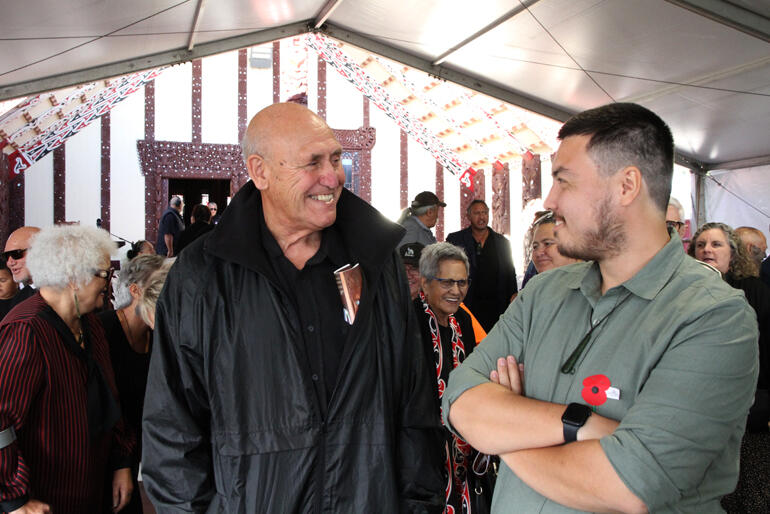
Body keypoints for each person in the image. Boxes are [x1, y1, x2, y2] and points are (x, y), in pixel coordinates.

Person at [442, 102, 758, 513]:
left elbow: (628, 482)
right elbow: (459, 399)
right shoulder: (543, 294)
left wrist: (502, 434)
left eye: (564, 181)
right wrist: (581, 426)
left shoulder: (714, 317)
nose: (551, 199)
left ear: (626, 186)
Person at [142, 102, 444, 512]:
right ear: (260, 171)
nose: (332, 177)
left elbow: (414, 409)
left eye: (335, 158)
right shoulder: (201, 277)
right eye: (312, 162)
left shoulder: (376, 261)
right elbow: (171, 431)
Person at [0, 225, 135, 514]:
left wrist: (121, 462)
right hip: (43, 499)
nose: (109, 283)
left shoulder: (91, 324)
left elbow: (109, 398)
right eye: (104, 274)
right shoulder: (26, 331)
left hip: (90, 490)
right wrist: (14, 499)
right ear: (74, 277)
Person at [688, 222, 770, 511]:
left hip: (751, 411)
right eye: (701, 245)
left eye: (716, 244)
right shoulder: (685, 293)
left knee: (749, 494)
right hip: (701, 414)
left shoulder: (754, 291)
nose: (707, 249)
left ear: (733, 254)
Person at [414, 242, 492, 513]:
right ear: (425, 283)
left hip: (462, 440)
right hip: (424, 445)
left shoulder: (464, 322)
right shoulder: (408, 321)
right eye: (446, 282)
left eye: (462, 282)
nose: (456, 291)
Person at [98, 254, 166, 514]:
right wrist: (121, 462)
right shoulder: (103, 330)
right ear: (135, 290)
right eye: (157, 287)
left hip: (139, 448)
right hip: (107, 453)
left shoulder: (157, 333)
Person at [446, 200, 517, 332]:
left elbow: (510, 272)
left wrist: (513, 294)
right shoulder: (455, 240)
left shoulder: (502, 242)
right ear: (468, 216)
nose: (481, 217)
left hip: (496, 307)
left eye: (484, 213)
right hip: (467, 304)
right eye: (477, 213)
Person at [3, 227, 40, 306]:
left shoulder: (64, 291)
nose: (9, 263)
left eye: (16, 254)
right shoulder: (19, 300)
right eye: (6, 256)